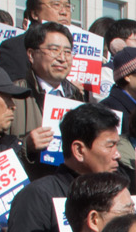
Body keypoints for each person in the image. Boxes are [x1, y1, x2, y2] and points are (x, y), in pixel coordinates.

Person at [4, 103, 124, 232]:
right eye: (110, 146)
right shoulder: (38, 196)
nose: (117, 155)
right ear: (79, 150)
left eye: (117, 145)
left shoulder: (119, 194)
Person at [9, 22, 88, 161]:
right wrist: (25, 145)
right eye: (54, 50)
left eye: (67, 52)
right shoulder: (13, 95)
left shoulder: (77, 97)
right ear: (31, 55)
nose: (62, 58)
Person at [0, 0, 75, 80]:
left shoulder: (76, 46)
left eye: (67, 7)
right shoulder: (15, 47)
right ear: (35, 14)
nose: (64, 12)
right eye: (56, 5)